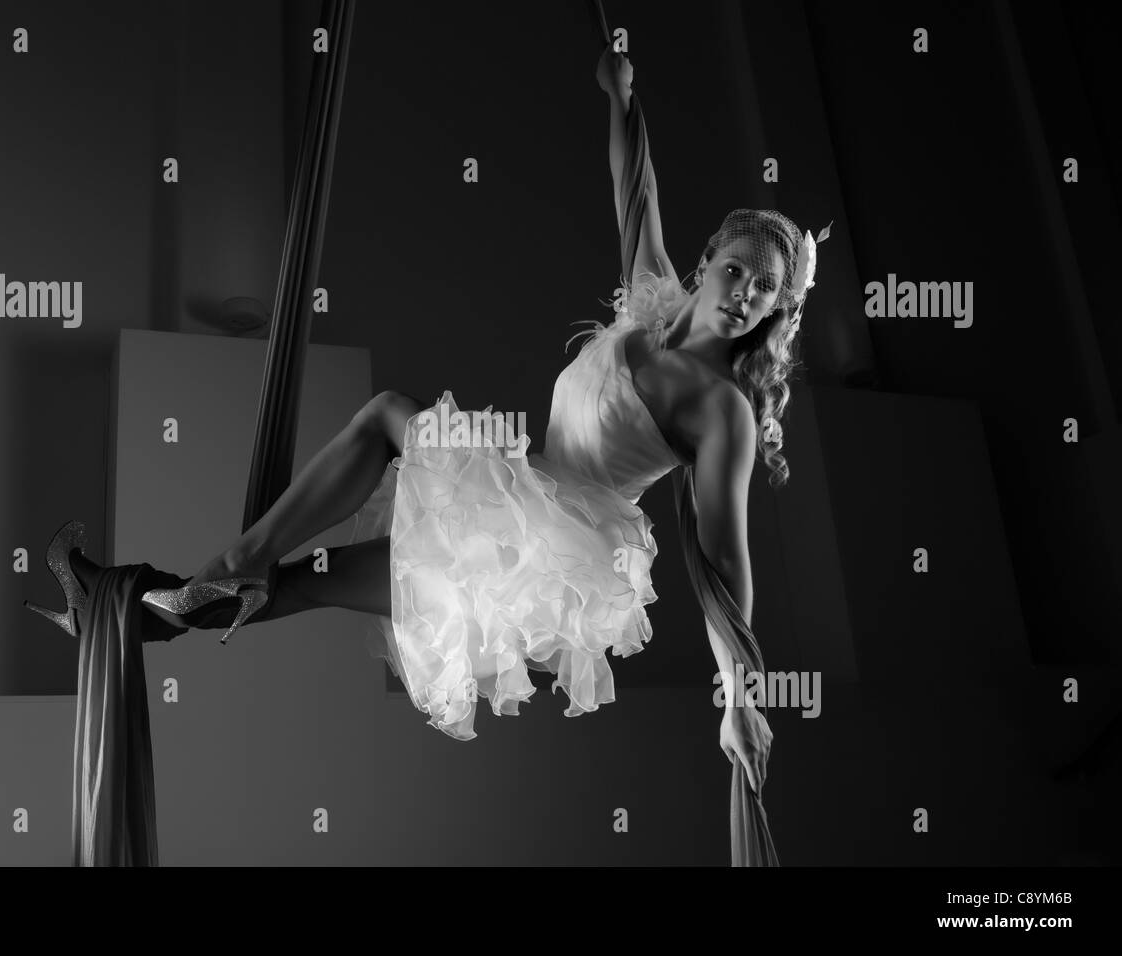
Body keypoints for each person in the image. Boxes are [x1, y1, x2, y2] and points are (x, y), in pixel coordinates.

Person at [128, 49, 828, 795]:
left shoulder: (721, 408)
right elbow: (636, 186)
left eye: (766, 290)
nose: (745, 294)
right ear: (708, 258)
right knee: (300, 582)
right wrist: (620, 95)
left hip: (554, 547)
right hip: (512, 498)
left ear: (777, 308)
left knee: (387, 418)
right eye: (737, 269)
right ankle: (140, 615)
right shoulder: (650, 299)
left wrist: (739, 698)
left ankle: (231, 563)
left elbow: (724, 561)